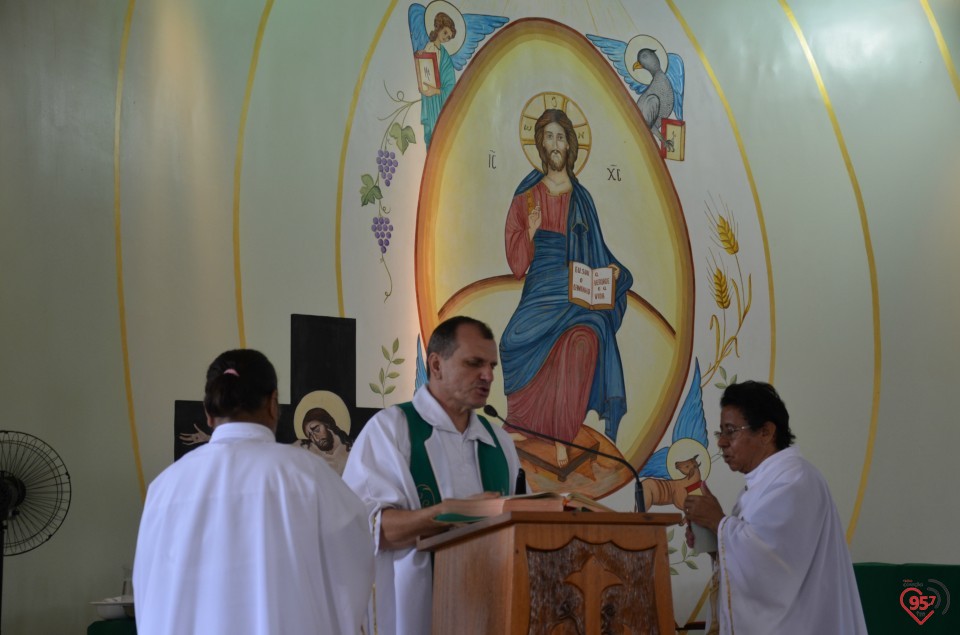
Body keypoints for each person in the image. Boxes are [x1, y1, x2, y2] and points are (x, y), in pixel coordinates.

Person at [133, 349, 374, 635]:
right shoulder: (310, 476)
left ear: (208, 412)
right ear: (273, 403)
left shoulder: (164, 489)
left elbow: (148, 589)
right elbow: (354, 564)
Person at [342, 316, 521, 635]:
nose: (488, 376)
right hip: (415, 615)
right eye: (474, 363)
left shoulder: (499, 442)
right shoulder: (391, 429)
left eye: (492, 366)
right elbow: (366, 530)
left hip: (489, 612)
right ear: (436, 365)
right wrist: (447, 514)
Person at [501, 107, 633, 465]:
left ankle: (562, 436)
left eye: (561, 137)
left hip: (577, 286)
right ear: (540, 144)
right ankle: (523, 424)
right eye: (549, 137)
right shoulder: (527, 196)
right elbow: (516, 264)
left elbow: (598, 250)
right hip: (542, 283)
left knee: (584, 338)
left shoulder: (583, 198)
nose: (555, 144)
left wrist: (613, 272)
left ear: (570, 145)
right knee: (512, 341)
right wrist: (529, 230)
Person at [684, 381, 867, 635]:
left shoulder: (794, 480)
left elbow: (771, 563)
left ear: (766, 432)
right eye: (720, 433)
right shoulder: (761, 484)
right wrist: (714, 541)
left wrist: (719, 523)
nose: (722, 443)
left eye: (731, 431)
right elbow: (754, 560)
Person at [417, 12, 456, 147]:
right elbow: (423, 70)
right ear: (439, 27)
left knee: (437, 134)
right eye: (445, 33)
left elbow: (450, 85)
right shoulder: (428, 47)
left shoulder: (444, 56)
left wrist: (436, 91)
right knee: (429, 134)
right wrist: (420, 57)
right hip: (428, 98)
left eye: (449, 37)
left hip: (438, 99)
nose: (446, 38)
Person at [297, 405, 352, 475]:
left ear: (327, 424)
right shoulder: (310, 448)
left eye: (317, 430)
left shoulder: (351, 450)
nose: (316, 438)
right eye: (310, 436)